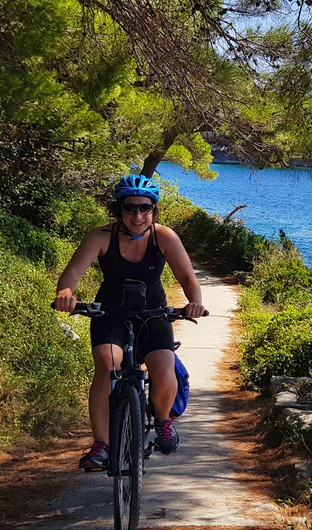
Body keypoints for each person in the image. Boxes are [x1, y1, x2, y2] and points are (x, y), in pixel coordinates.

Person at [54, 174, 206, 470]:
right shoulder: (100, 236)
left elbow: (187, 277)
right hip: (110, 313)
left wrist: (195, 301)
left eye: (145, 208)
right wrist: (65, 293)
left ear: (154, 209)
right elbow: (72, 274)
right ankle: (102, 444)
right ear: (119, 210)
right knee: (108, 366)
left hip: (153, 313)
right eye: (130, 208)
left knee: (163, 369)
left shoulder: (164, 237)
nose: (138, 215)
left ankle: (163, 422)